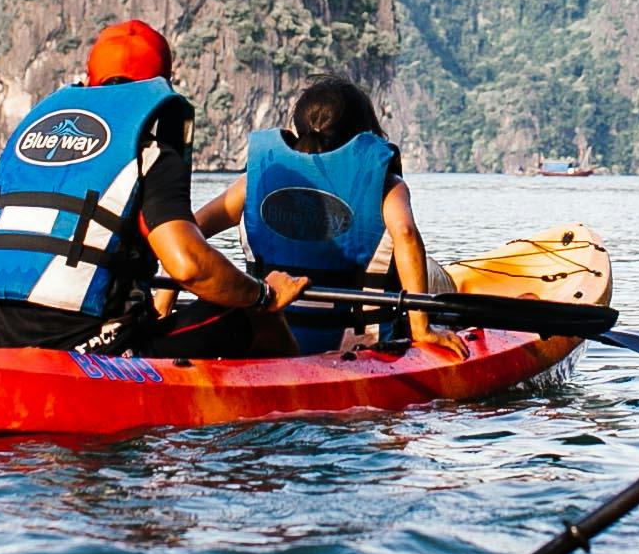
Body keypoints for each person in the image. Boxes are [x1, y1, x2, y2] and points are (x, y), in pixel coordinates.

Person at [0, 19, 307, 359]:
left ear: (89, 81)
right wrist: (264, 294)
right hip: (92, 345)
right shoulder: (149, 154)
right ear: (158, 89)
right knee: (254, 313)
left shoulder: (22, 146)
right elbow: (188, 266)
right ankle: (302, 384)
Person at [193, 77, 465, 359]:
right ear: (363, 132)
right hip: (359, 345)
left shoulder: (252, 182)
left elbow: (190, 231)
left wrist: (164, 306)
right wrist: (421, 328)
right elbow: (406, 234)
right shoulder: (387, 185)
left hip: (269, 339)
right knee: (432, 276)